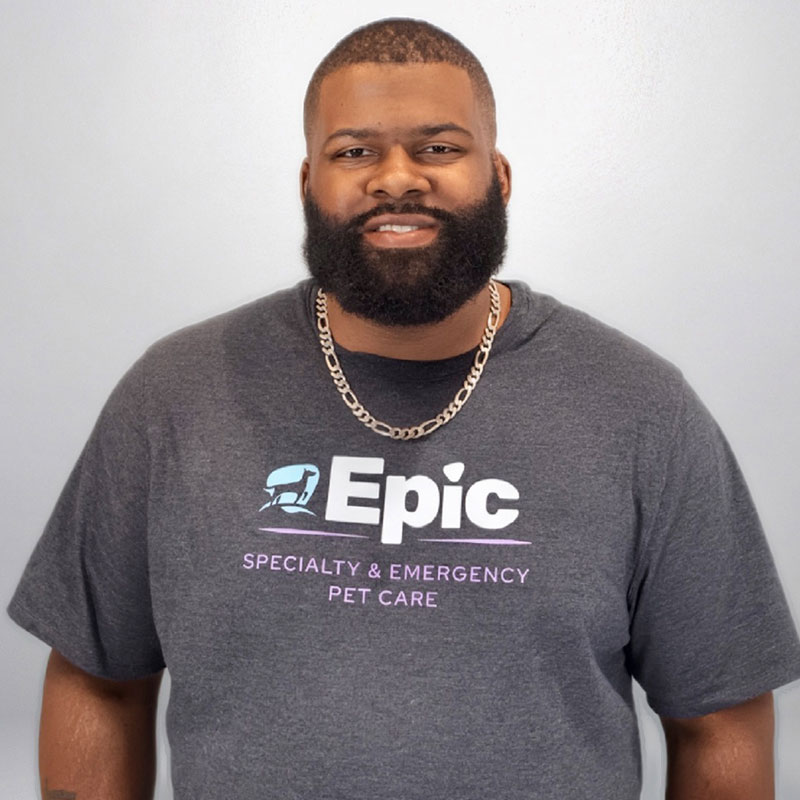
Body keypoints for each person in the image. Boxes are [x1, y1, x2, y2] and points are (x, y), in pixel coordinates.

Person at [8, 17, 800, 800]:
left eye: (438, 148)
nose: (396, 178)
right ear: (307, 182)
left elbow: (719, 723)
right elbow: (100, 679)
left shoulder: (641, 410)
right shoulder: (174, 394)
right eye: (354, 151)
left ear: (500, 175)